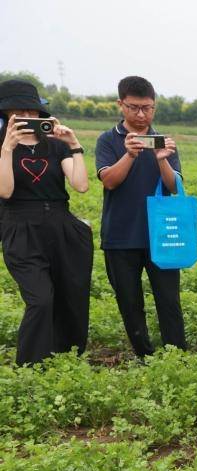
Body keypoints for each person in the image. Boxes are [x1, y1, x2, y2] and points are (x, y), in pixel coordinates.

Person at [0, 79, 94, 366]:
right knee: (40, 299)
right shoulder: (2, 145)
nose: (28, 118)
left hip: (60, 224)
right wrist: (7, 149)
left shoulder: (55, 146)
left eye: (33, 112)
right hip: (20, 227)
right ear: (6, 115)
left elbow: (80, 185)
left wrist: (74, 145)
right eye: (20, 113)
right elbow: (5, 191)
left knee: (71, 295)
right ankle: (30, 365)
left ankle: (65, 359)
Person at [96, 75, 186, 358]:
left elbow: (174, 186)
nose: (140, 114)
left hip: (162, 235)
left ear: (154, 107)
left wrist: (162, 158)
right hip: (120, 236)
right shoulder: (108, 141)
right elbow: (109, 181)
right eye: (133, 107)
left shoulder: (164, 142)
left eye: (147, 108)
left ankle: (176, 356)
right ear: (120, 105)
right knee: (129, 301)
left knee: (169, 300)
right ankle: (144, 356)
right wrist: (130, 155)